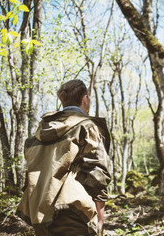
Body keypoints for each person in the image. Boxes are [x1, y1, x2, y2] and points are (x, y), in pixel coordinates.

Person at [17, 79, 111, 236]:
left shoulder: (41, 132)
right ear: (85, 99)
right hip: (74, 210)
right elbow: (98, 173)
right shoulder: (87, 127)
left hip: (39, 211)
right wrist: (100, 218)